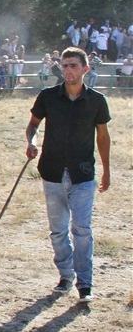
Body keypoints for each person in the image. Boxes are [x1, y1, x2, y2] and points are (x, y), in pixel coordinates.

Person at [25, 47, 111, 303]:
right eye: (64, 66)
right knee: (58, 230)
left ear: (86, 69)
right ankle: (65, 276)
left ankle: (85, 284)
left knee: (82, 229)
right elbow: (33, 124)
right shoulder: (48, 97)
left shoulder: (97, 100)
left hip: (82, 173)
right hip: (51, 171)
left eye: (73, 65)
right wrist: (32, 141)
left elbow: (103, 136)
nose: (68, 70)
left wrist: (106, 170)